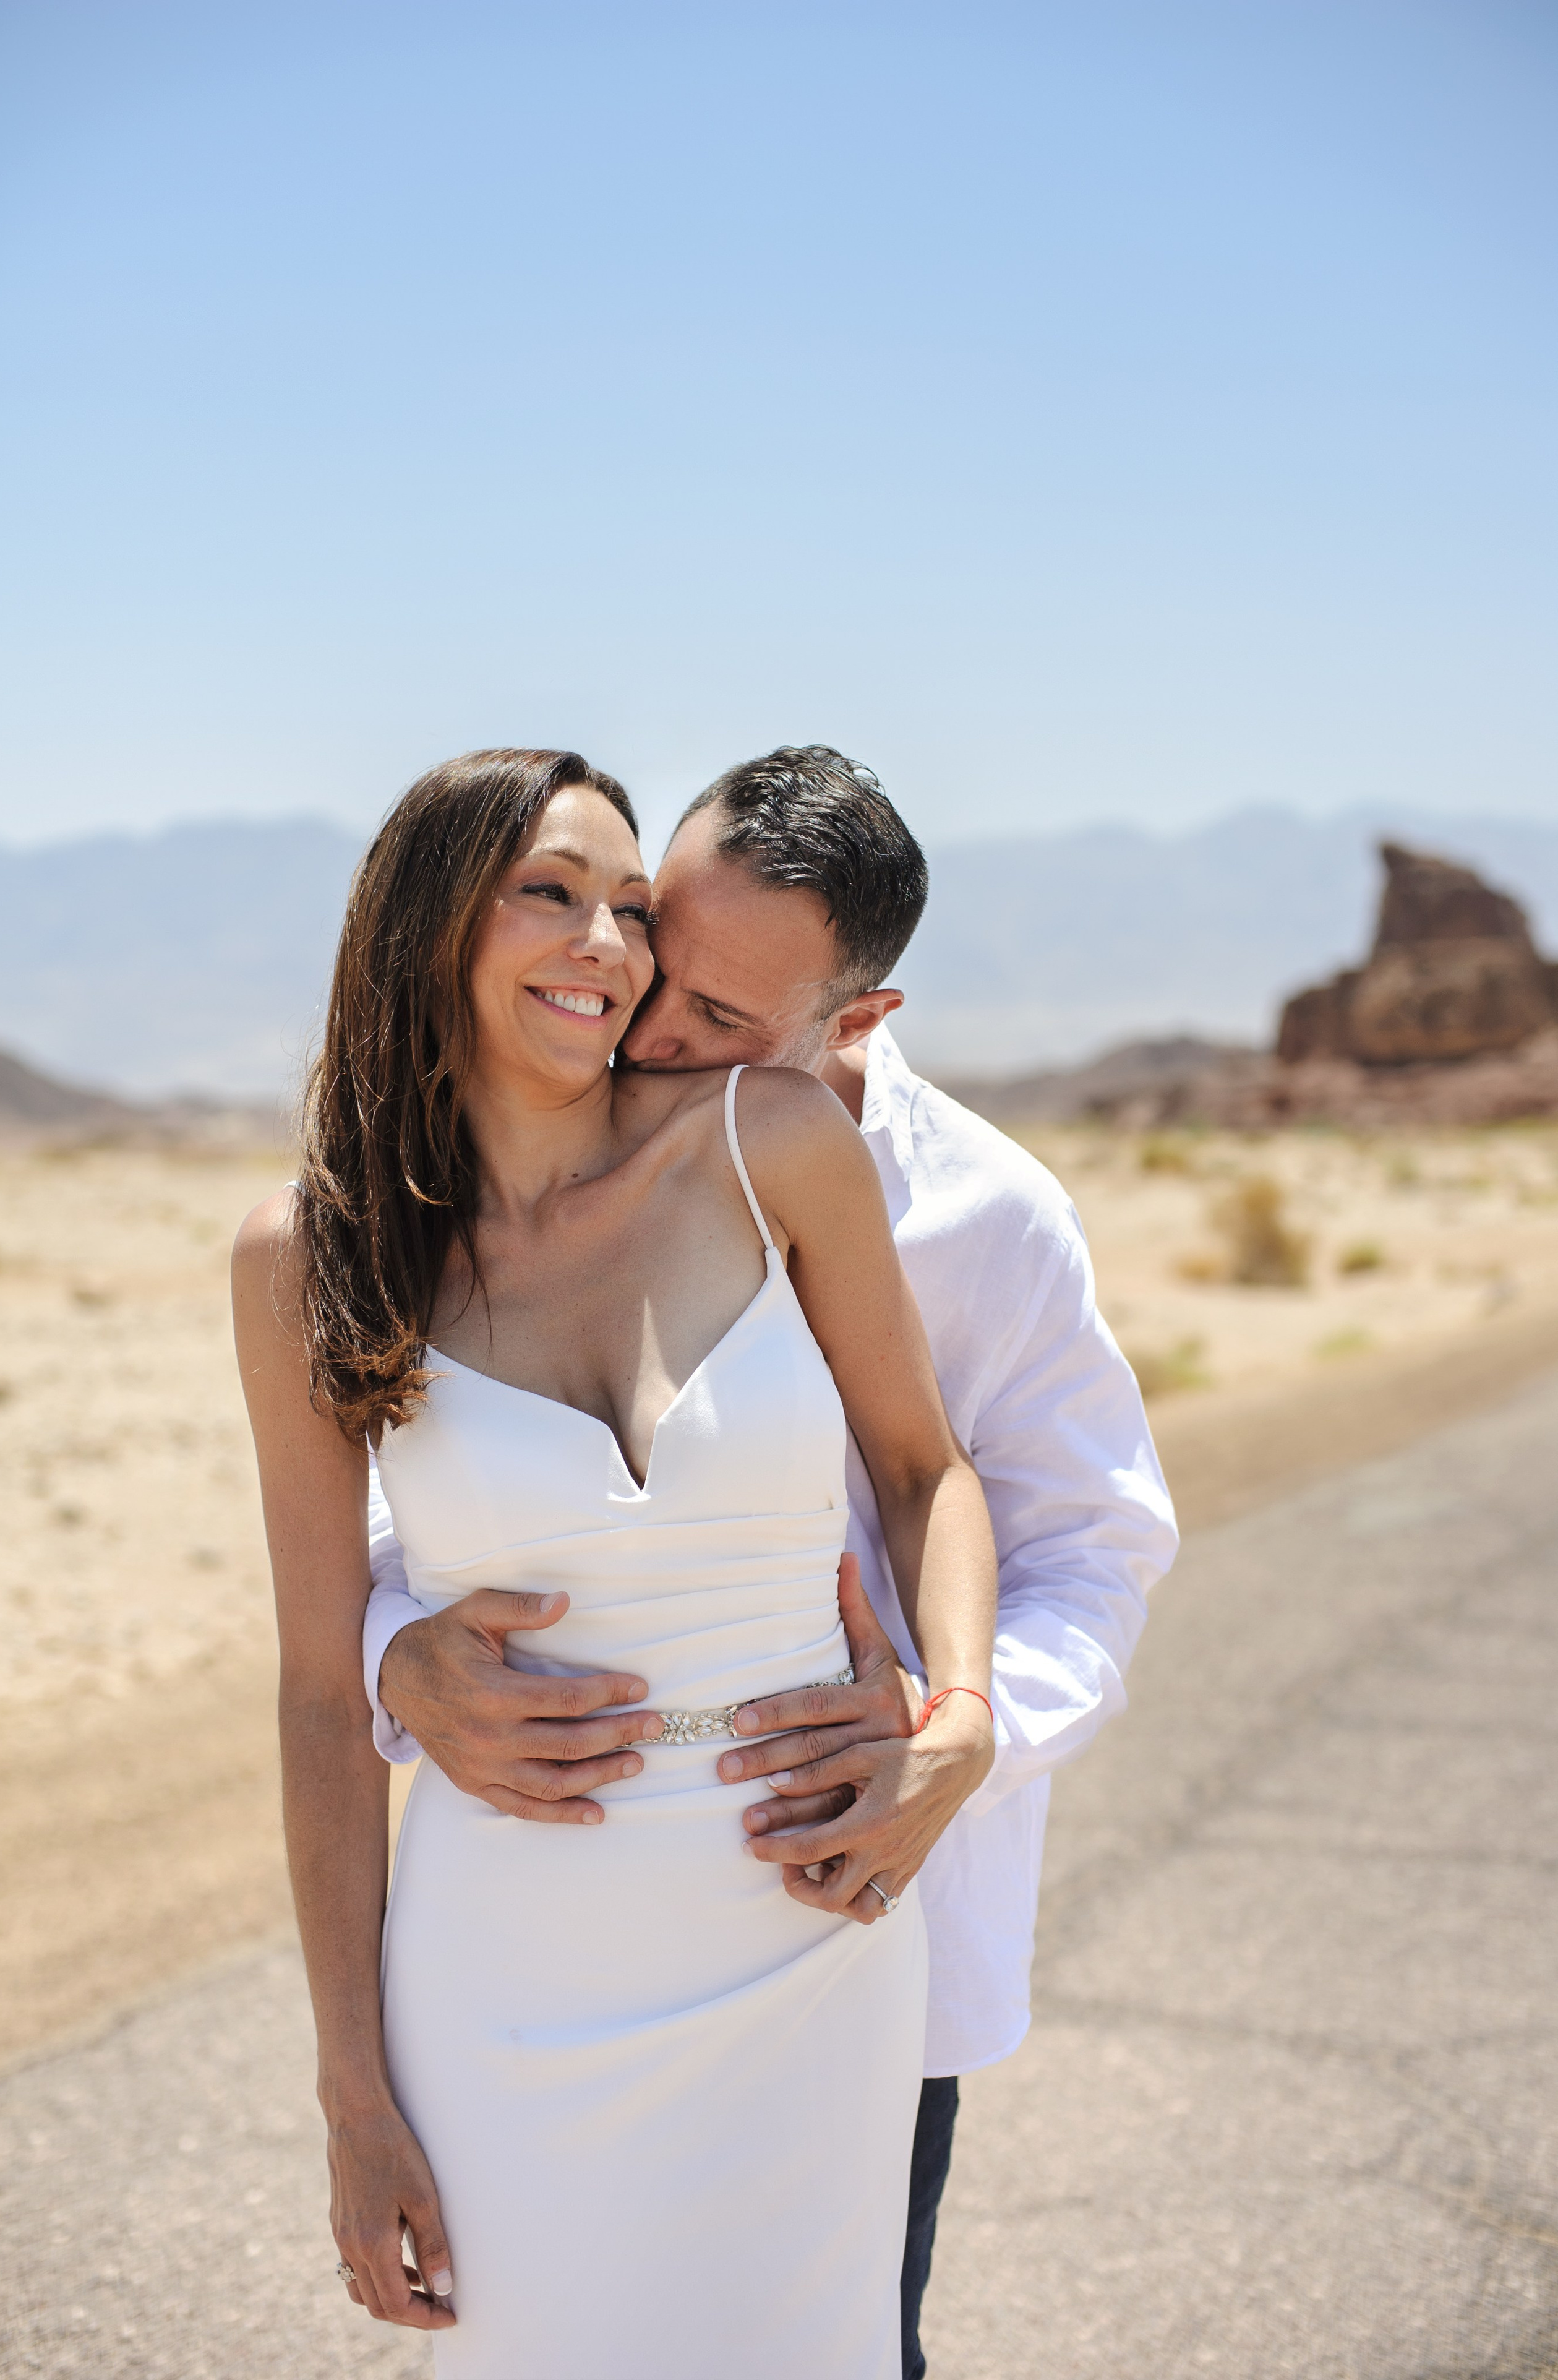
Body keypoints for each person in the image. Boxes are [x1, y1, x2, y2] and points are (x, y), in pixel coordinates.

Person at [364, 745, 1179, 2376]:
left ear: (854, 1024)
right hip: (563, 1915)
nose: (650, 1027)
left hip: (860, 1896)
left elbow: (1089, 1538)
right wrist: (402, 1654)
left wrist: (963, 1734)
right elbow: (442, 1494)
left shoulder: (992, 1221)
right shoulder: (519, 1163)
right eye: (660, 954)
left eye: (725, 1025)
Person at [231, 747, 1004, 2378]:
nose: (610, 945)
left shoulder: (772, 1139)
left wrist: (965, 1714)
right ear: (432, 923)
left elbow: (928, 1471)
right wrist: (353, 2099)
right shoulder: (314, 1252)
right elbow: (318, 1693)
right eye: (554, 893)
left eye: (633, 908)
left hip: (810, 1940)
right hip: (516, 1966)